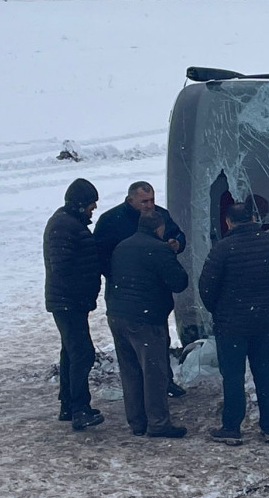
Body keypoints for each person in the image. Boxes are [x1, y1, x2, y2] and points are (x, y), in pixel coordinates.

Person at [198, 198, 269, 445]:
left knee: (234, 376)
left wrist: (219, 310)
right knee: (264, 373)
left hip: (232, 325)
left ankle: (232, 427)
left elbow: (206, 287)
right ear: (253, 219)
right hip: (265, 321)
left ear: (228, 222)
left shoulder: (223, 249)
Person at [94, 181, 188, 398]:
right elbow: (99, 256)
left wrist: (177, 243)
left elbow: (180, 235)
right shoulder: (111, 221)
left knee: (160, 340)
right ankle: (144, 397)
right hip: (124, 293)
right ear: (130, 200)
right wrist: (121, 276)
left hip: (155, 295)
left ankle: (165, 381)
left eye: (152, 200)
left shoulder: (160, 216)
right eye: (144, 201)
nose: (149, 205)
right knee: (133, 349)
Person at [106, 210, 190, 438]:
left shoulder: (122, 247)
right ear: (159, 228)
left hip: (117, 315)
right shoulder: (159, 249)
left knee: (130, 370)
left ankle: (137, 422)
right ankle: (158, 423)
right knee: (154, 372)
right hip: (145, 319)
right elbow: (179, 282)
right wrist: (170, 253)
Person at [43, 178, 105, 431]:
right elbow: (64, 267)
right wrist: (82, 290)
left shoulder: (66, 223)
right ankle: (79, 408)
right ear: (80, 204)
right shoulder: (65, 226)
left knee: (71, 352)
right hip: (69, 302)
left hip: (69, 301)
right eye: (91, 204)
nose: (94, 209)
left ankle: (68, 404)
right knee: (82, 353)